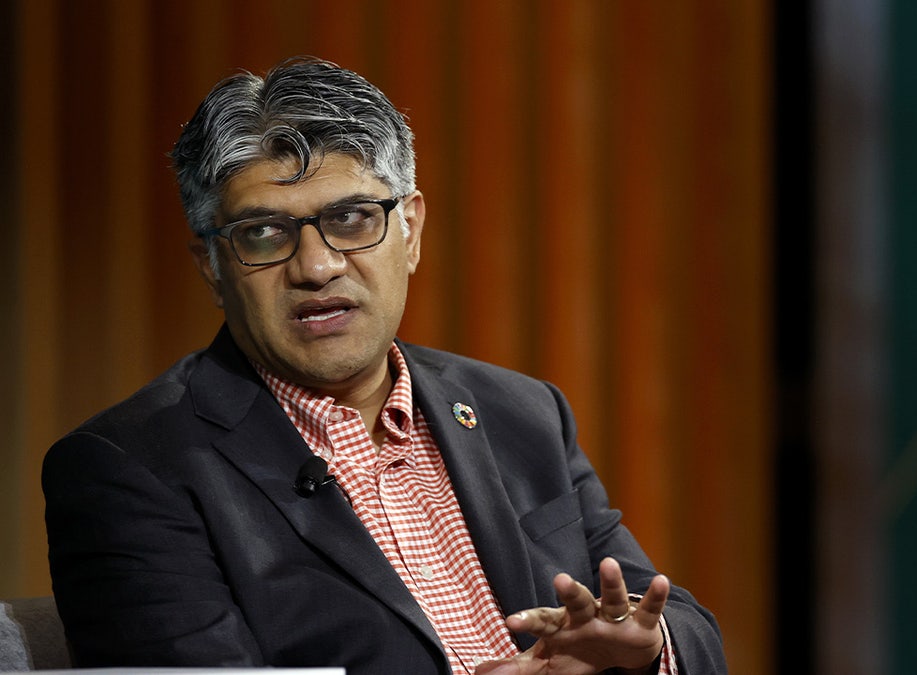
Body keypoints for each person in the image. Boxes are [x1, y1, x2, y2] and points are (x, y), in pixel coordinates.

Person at [40, 56, 727, 674]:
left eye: (351, 218)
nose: (316, 266)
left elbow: (686, 629)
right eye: (263, 233)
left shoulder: (523, 412)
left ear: (412, 230)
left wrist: (647, 650)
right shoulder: (128, 469)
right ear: (213, 266)